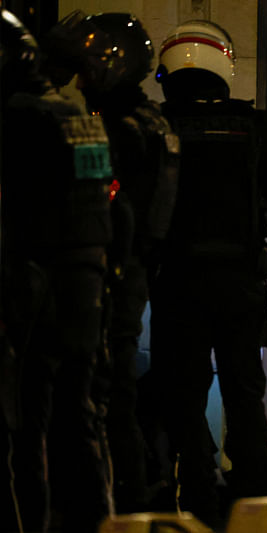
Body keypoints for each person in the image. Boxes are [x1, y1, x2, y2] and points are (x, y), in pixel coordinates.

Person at [148, 20, 267, 526]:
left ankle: (196, 502)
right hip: (242, 289)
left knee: (184, 398)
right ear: (224, 68)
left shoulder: (154, 125)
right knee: (244, 397)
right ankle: (254, 505)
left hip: (176, 289)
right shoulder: (254, 127)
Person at [42, 11, 180, 513]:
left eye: (87, 68)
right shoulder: (154, 122)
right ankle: (150, 493)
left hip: (115, 278)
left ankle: (125, 503)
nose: (82, 80)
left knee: (108, 395)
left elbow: (109, 208)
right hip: (137, 273)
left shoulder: (120, 130)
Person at [1, 8, 113, 531]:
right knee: (79, 415)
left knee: (26, 424)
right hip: (84, 285)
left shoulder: (21, 117)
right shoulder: (77, 118)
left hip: (35, 286)